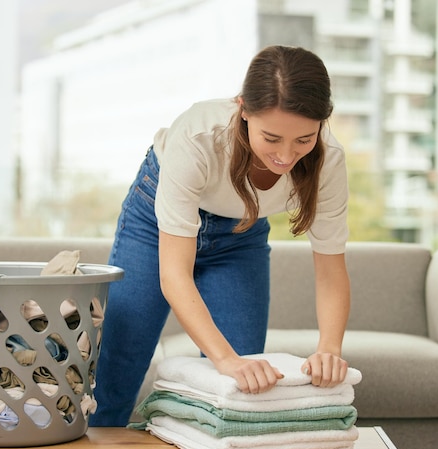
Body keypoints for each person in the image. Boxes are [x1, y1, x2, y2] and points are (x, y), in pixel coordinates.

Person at [90, 45, 351, 427]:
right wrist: (222, 358)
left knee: (239, 390)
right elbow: (174, 275)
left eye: (303, 139)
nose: (286, 156)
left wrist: (329, 348)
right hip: (153, 223)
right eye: (273, 137)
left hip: (241, 236)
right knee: (117, 374)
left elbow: (330, 271)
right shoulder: (199, 135)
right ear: (243, 108)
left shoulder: (329, 161)